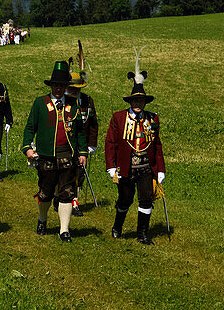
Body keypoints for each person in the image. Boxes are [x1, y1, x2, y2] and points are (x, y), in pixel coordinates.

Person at [21, 61, 88, 242]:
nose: (59, 88)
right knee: (45, 192)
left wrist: (82, 152)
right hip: (46, 156)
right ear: (51, 85)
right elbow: (29, 128)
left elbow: (81, 131)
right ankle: (42, 219)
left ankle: (64, 230)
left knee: (67, 192)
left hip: (67, 156)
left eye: (62, 85)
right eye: (56, 85)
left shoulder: (74, 105)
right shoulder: (40, 103)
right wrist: (27, 148)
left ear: (66, 87)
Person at [104, 54, 164, 244]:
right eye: (135, 101)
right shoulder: (119, 118)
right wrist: (111, 166)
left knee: (146, 200)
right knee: (125, 200)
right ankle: (117, 227)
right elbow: (110, 143)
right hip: (126, 167)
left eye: (141, 101)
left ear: (145, 102)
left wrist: (160, 169)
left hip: (147, 167)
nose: (138, 104)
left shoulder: (152, 119)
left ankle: (142, 234)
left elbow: (157, 145)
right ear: (130, 102)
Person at [65, 45, 98, 216]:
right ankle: (61, 198)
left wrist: (92, 144)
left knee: (78, 174)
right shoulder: (61, 101)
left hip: (82, 144)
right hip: (64, 144)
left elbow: (93, 123)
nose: (74, 91)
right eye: (71, 88)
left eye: (77, 89)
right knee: (64, 173)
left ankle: (75, 203)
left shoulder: (87, 101)